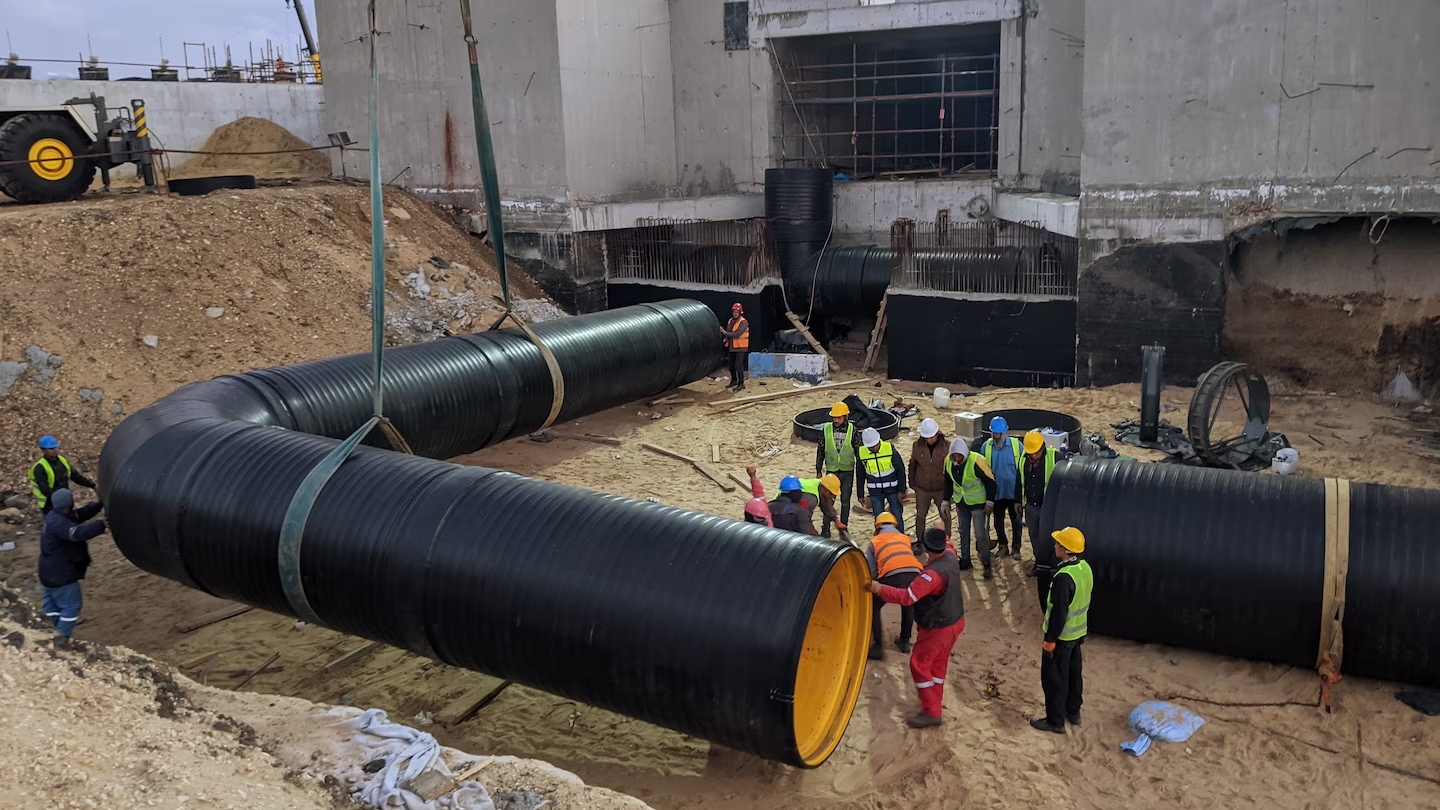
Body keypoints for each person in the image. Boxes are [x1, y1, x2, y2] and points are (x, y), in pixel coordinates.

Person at [869, 526, 966, 728]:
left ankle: (931, 712)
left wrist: (880, 588)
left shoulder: (931, 575)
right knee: (938, 665)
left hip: (938, 627)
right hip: (955, 620)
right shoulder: (950, 554)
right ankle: (935, 704)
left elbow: (907, 597)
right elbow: (947, 540)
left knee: (919, 664)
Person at [1032, 526, 1092, 734]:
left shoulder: (1063, 578)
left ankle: (1055, 721)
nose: (1055, 545)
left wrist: (1050, 640)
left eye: (1058, 543)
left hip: (1062, 637)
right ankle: (1073, 711)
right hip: (1078, 634)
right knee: (1075, 674)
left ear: (1065, 549)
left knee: (1055, 678)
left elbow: (1059, 613)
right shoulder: (1085, 568)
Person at [38, 488, 107, 638]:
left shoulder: (54, 516)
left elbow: (79, 515)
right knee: (71, 607)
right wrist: (101, 525)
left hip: (47, 573)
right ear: (68, 504)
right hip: (61, 575)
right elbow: (77, 533)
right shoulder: (58, 523)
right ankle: (60, 642)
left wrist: (98, 506)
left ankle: (48, 636)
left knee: (52, 608)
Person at [1018, 431, 1065, 610]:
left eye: (1035, 453)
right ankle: (1040, 564)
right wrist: (1019, 502)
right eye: (1030, 453)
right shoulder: (1024, 461)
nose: (1033, 456)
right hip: (1031, 506)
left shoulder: (1056, 457)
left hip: (1048, 507)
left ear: (1042, 448)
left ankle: (1053, 567)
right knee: (1035, 537)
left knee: (1051, 539)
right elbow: (1020, 482)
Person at [866, 511, 920, 660]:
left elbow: (871, 570)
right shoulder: (905, 538)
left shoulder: (875, 541)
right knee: (907, 602)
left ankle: (878, 646)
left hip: (891, 574)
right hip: (914, 573)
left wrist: (877, 583)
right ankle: (904, 641)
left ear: (877, 527)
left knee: (873, 606)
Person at [942, 438, 996, 577]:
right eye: (954, 455)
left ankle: (986, 563)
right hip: (961, 503)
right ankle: (965, 560)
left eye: (959, 456)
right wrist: (945, 500)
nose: (957, 458)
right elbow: (948, 482)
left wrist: (990, 502)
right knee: (963, 532)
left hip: (978, 504)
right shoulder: (948, 462)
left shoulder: (977, 461)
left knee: (980, 534)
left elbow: (990, 482)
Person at [981, 417, 1024, 559]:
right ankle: (1003, 545)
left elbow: (1022, 469)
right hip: (997, 493)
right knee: (997, 521)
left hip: (1014, 493)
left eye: (999, 433)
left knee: (1016, 521)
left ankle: (1016, 549)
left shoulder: (1017, 446)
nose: (997, 436)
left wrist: (1021, 496)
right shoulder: (986, 447)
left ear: (1005, 432)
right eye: (995, 433)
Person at [815, 402, 860, 538]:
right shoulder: (826, 429)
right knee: (828, 501)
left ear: (845, 417)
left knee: (845, 501)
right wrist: (818, 469)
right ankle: (826, 529)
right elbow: (820, 450)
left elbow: (858, 451)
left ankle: (843, 529)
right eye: (834, 417)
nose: (835, 420)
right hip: (831, 470)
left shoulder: (853, 430)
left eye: (838, 417)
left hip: (847, 471)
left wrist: (860, 471)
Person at [28, 435, 96, 514]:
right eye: (51, 449)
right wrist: (60, 501)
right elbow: (45, 490)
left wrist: (92, 485)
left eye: (55, 447)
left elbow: (75, 476)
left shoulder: (62, 460)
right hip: (50, 505)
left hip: (64, 501)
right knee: (56, 524)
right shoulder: (40, 468)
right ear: (43, 450)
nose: (54, 450)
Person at [908, 418, 951, 540]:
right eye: (927, 437)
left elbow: (951, 469)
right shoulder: (917, 446)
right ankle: (920, 539)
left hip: (941, 489)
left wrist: (950, 490)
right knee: (921, 516)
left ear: (937, 434)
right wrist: (913, 484)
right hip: (922, 488)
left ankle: (947, 540)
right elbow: (912, 465)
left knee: (946, 516)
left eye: (932, 437)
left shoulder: (947, 447)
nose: (929, 440)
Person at [858, 427, 907, 533]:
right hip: (875, 492)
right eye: (870, 446)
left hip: (892, 489)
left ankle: (900, 536)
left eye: (875, 445)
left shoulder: (889, 449)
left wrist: (902, 490)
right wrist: (860, 495)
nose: (874, 447)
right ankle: (882, 537)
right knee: (879, 517)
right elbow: (860, 475)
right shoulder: (862, 453)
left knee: (897, 514)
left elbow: (900, 470)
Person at [720, 303, 750, 391]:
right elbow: (729, 331)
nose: (735, 314)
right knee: (731, 365)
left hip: (740, 347)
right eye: (734, 312)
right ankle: (734, 380)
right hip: (732, 346)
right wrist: (726, 338)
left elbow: (737, 334)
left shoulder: (743, 322)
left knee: (738, 365)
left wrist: (725, 333)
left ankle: (741, 383)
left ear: (740, 312)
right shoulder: (730, 321)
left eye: (737, 312)